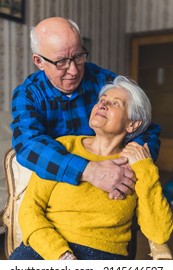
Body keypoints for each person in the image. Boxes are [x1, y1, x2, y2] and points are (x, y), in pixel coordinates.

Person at [9, 76, 173, 260]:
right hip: (44, 250)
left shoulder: (137, 165)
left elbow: (159, 232)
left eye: (115, 103)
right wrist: (60, 255)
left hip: (103, 257)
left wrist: (145, 168)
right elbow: (30, 210)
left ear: (132, 124)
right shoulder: (63, 147)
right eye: (102, 101)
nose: (103, 105)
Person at [10, 17, 161, 200]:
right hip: (61, 184)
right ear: (39, 62)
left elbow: (147, 130)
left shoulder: (105, 81)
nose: (73, 70)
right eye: (61, 62)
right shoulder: (28, 94)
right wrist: (90, 171)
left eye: (78, 56)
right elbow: (27, 145)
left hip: (114, 177)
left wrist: (128, 165)